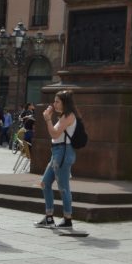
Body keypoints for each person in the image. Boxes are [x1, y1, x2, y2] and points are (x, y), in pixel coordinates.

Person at [35, 90, 82, 229]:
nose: (54, 104)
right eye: (54, 101)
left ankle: (67, 219)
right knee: (45, 183)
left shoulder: (68, 116)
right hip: (58, 152)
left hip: (63, 152)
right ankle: (49, 217)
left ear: (64, 103)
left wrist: (48, 119)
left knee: (63, 188)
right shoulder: (63, 116)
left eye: (57, 101)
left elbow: (55, 134)